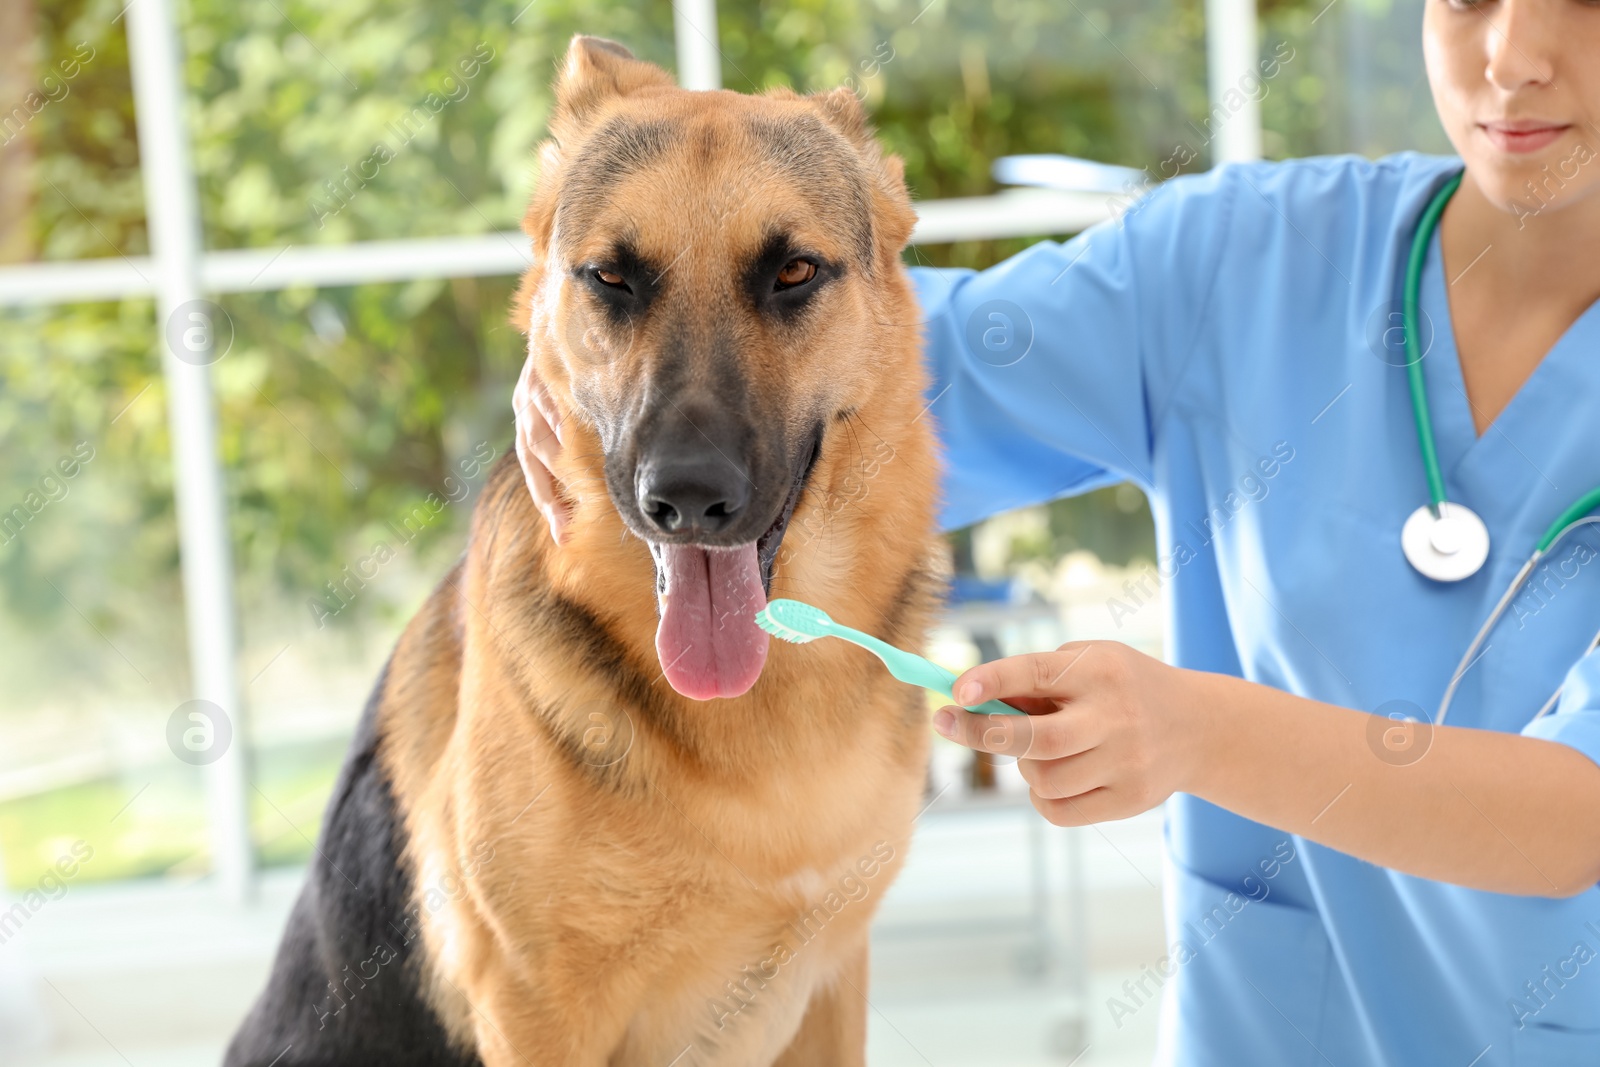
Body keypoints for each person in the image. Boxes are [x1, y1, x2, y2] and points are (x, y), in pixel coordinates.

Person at [513, 2, 1600, 1062]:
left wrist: (1194, 732)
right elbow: (883, 367)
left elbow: (1579, 817)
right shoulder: (1249, 260)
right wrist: (605, 338)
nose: (1511, 54)